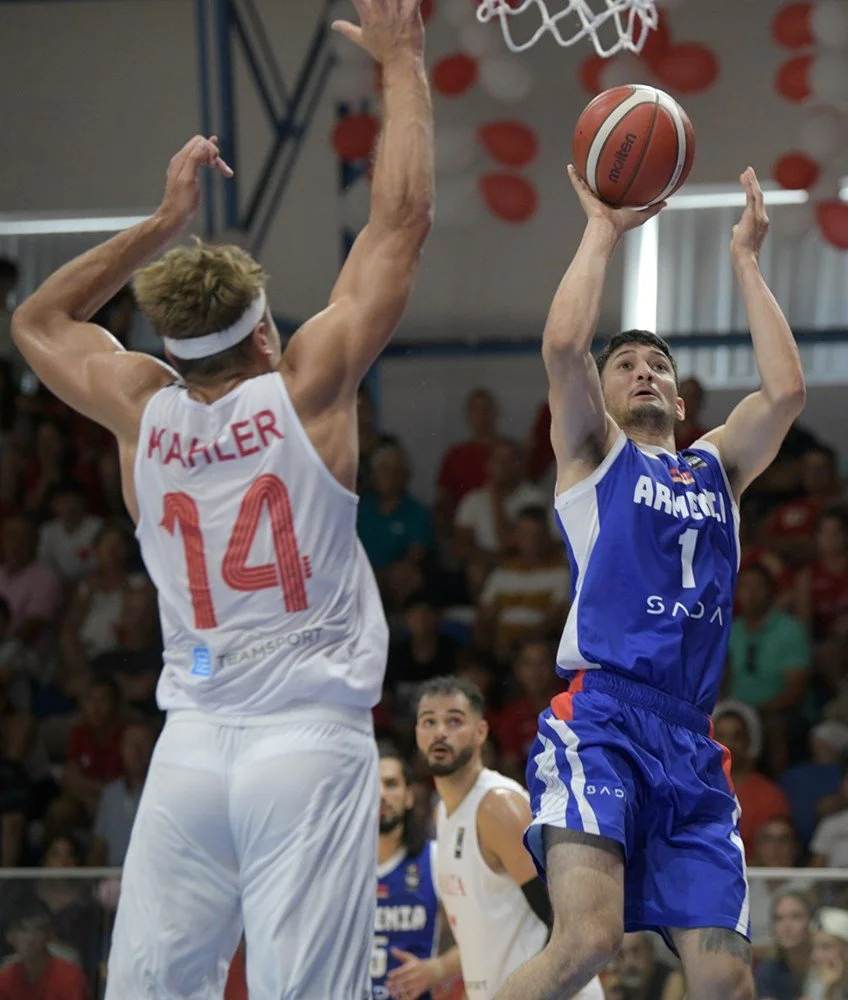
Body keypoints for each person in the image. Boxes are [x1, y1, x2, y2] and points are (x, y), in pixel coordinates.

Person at [10, 0, 434, 993]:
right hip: (307, 740)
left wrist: (161, 224)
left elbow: (37, 318)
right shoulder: (307, 391)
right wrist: (402, 61)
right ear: (260, 333)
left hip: (193, 746)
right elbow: (401, 221)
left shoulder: (139, 408)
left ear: (173, 347)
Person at [493, 165, 805, 1000]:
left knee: (726, 983)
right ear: (604, 389)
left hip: (691, 741)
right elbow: (563, 347)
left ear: (677, 387)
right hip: (604, 716)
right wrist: (602, 226)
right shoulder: (595, 456)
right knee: (587, 941)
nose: (641, 372)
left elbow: (785, 392)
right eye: (624, 363)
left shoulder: (717, 467)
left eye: (655, 364)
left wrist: (745, 258)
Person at [416, 675, 603, 1000]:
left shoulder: (497, 808)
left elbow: (563, 921)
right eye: (428, 721)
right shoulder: (443, 813)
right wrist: (438, 970)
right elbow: (486, 931)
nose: (440, 732)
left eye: (454, 721)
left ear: (481, 733)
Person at [372, 743, 460, 1000]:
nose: (380, 794)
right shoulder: (338, 866)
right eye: (371, 784)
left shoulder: (434, 857)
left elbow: (481, 935)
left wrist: (438, 968)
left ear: (409, 796)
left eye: (391, 784)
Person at [712, 701, 791, 857]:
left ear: (750, 742)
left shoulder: (768, 795)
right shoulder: (694, 787)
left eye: (737, 737)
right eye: (720, 736)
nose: (728, 744)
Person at [0, 895, 89, 1000]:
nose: (30, 937)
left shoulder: (70, 977)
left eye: (37, 929)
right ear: (9, 936)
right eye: (22, 929)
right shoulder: (5, 979)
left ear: (49, 934)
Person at [755, 890, 813, 1000]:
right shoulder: (768, 969)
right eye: (779, 919)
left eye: (796, 916)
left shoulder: (828, 963)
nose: (786, 926)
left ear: (811, 921)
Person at [615, 932, 685, 1000]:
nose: (629, 962)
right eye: (621, 955)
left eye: (636, 951)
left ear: (650, 950)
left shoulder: (672, 980)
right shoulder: (617, 989)